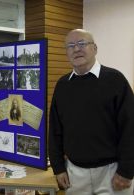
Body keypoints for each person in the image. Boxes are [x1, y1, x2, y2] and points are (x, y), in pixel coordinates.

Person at [49, 29, 134, 195]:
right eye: (71, 45)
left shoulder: (115, 80)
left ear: (95, 48)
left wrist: (126, 170)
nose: (76, 49)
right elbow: (55, 130)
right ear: (66, 52)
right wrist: (58, 168)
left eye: (82, 43)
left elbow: (130, 128)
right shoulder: (62, 85)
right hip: (74, 173)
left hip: (112, 172)